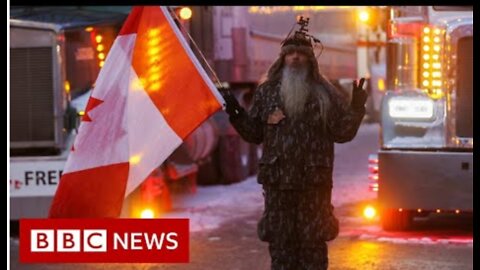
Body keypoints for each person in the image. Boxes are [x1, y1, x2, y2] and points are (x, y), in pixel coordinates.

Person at [222, 27, 368, 270]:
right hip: (278, 185)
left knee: (313, 249)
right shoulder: (267, 93)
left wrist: (355, 108)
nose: (296, 58)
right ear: (283, 59)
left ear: (311, 60)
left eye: (301, 54)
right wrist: (237, 114)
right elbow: (254, 133)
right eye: (291, 54)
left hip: (313, 186)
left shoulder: (325, 94)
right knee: (282, 247)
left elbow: (343, 133)